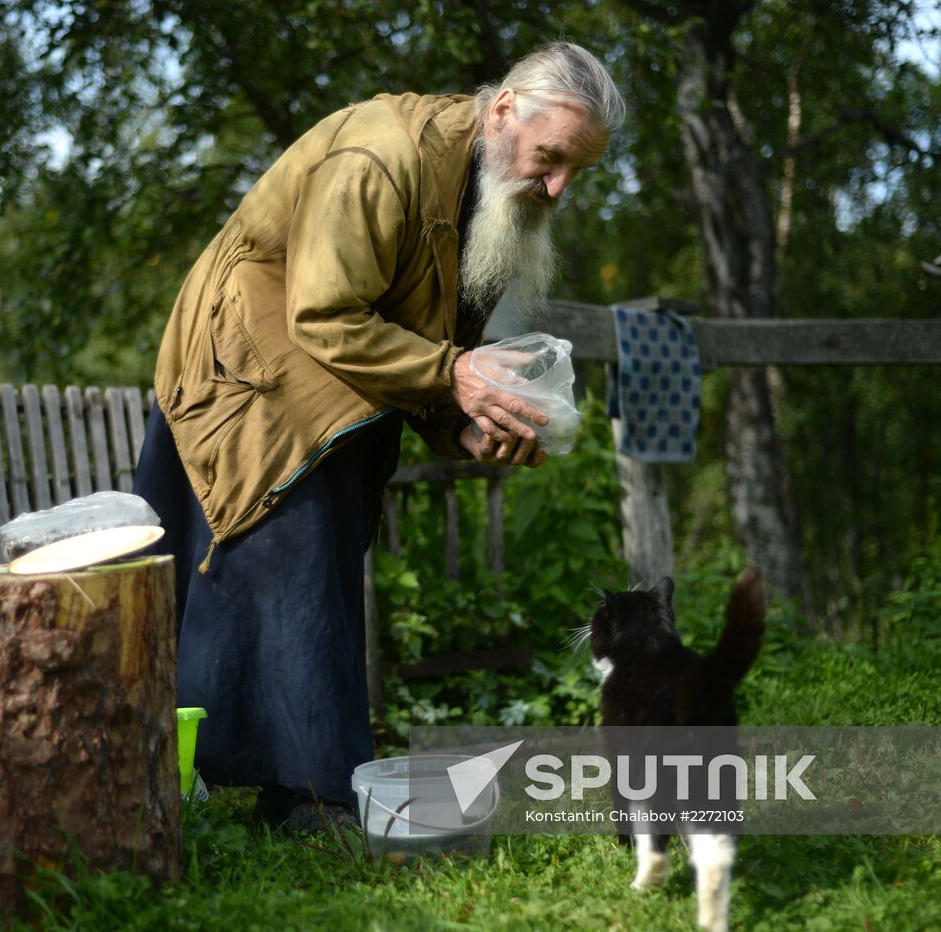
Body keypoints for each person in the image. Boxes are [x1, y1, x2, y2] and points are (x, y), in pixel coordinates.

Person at [133, 41, 624, 830]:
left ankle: (285, 786)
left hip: (337, 371)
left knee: (319, 569)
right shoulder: (380, 155)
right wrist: (455, 381)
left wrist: (460, 423)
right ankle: (312, 794)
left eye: (576, 172)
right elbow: (325, 313)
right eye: (552, 158)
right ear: (502, 112)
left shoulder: (495, 193)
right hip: (248, 360)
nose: (558, 186)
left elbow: (434, 339)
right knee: (293, 549)